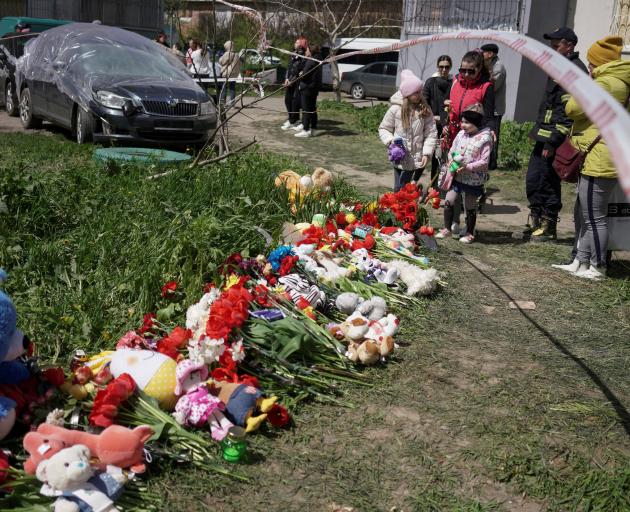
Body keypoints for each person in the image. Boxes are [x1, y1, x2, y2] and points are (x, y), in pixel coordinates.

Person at [552, 36, 630, 280]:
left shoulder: (606, 84)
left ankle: (597, 266)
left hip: (600, 159)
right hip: (599, 155)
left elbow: (573, 108)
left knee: (595, 217)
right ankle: (580, 260)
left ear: (601, 62)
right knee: (585, 213)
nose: (589, 67)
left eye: (591, 62)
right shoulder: (614, 81)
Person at [525, 27, 588, 241]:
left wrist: (553, 142)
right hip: (542, 134)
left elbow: (568, 112)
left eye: (556, 44)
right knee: (533, 179)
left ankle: (548, 225)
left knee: (548, 181)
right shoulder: (558, 67)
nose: (551, 48)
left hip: (555, 138)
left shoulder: (575, 70)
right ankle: (534, 219)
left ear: (569, 45)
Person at [445, 50, 497, 234]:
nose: (465, 75)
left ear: (479, 69)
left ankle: (468, 227)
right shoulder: (455, 82)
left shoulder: (486, 87)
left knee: (466, 181)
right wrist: (445, 125)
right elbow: (449, 108)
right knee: (452, 179)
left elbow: (490, 116)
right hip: (455, 135)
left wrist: (490, 132)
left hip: (474, 136)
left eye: (471, 71)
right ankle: (453, 222)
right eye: (462, 70)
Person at [435, 104, 494, 244]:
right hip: (457, 176)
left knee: (470, 205)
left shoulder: (485, 139)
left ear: (476, 123)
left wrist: (467, 167)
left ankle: (469, 232)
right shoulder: (461, 134)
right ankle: (447, 229)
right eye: (462, 121)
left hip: (473, 179)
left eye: (467, 122)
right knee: (449, 200)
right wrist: (450, 160)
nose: (463, 125)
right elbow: (452, 150)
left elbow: (484, 162)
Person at [378, 69, 437, 192]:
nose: (420, 94)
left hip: (416, 157)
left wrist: (427, 153)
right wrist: (391, 142)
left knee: (405, 188)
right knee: (399, 188)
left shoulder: (425, 109)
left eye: (420, 91)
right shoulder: (395, 109)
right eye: (416, 92)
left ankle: (405, 205)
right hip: (399, 156)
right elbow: (384, 128)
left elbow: (431, 133)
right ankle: (398, 208)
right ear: (407, 94)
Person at [422, 55, 453, 185]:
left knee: (442, 157)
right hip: (431, 124)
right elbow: (424, 102)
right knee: (426, 154)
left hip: (447, 126)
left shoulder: (454, 83)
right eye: (441, 66)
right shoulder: (431, 82)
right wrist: (433, 117)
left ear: (450, 67)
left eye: (446, 66)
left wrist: (447, 120)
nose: (444, 69)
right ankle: (414, 183)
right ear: (437, 67)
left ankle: (438, 184)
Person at [480, 43, 506, 171]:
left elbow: (491, 88)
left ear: (490, 54)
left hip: (495, 109)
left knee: (493, 135)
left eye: (483, 52)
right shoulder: (490, 65)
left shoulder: (498, 67)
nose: (481, 54)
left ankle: (492, 163)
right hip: (488, 107)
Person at [295, 45, 322, 138]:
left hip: (307, 88)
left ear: (310, 51)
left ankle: (305, 129)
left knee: (306, 109)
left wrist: (301, 73)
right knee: (312, 109)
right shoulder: (319, 60)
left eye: (307, 50)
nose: (306, 52)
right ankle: (313, 128)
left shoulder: (310, 61)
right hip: (314, 89)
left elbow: (304, 75)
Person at [281, 37, 307, 131]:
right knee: (287, 100)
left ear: (301, 45)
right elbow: (289, 67)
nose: (294, 43)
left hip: (296, 82)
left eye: (297, 42)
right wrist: (287, 78)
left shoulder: (304, 56)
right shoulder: (293, 53)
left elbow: (300, 70)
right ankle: (291, 118)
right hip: (290, 81)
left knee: (295, 102)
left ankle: (293, 120)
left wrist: (293, 80)